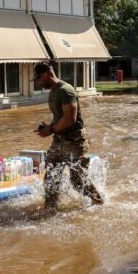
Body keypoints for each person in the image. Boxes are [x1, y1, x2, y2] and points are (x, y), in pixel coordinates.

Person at [34, 61, 104, 212]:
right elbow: (60, 117)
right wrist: (48, 127)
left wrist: (50, 129)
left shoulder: (65, 90)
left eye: (38, 79)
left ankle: (98, 203)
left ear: (45, 74)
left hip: (75, 142)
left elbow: (70, 119)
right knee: (51, 176)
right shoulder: (53, 91)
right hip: (59, 140)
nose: (38, 83)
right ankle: (50, 209)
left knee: (78, 180)